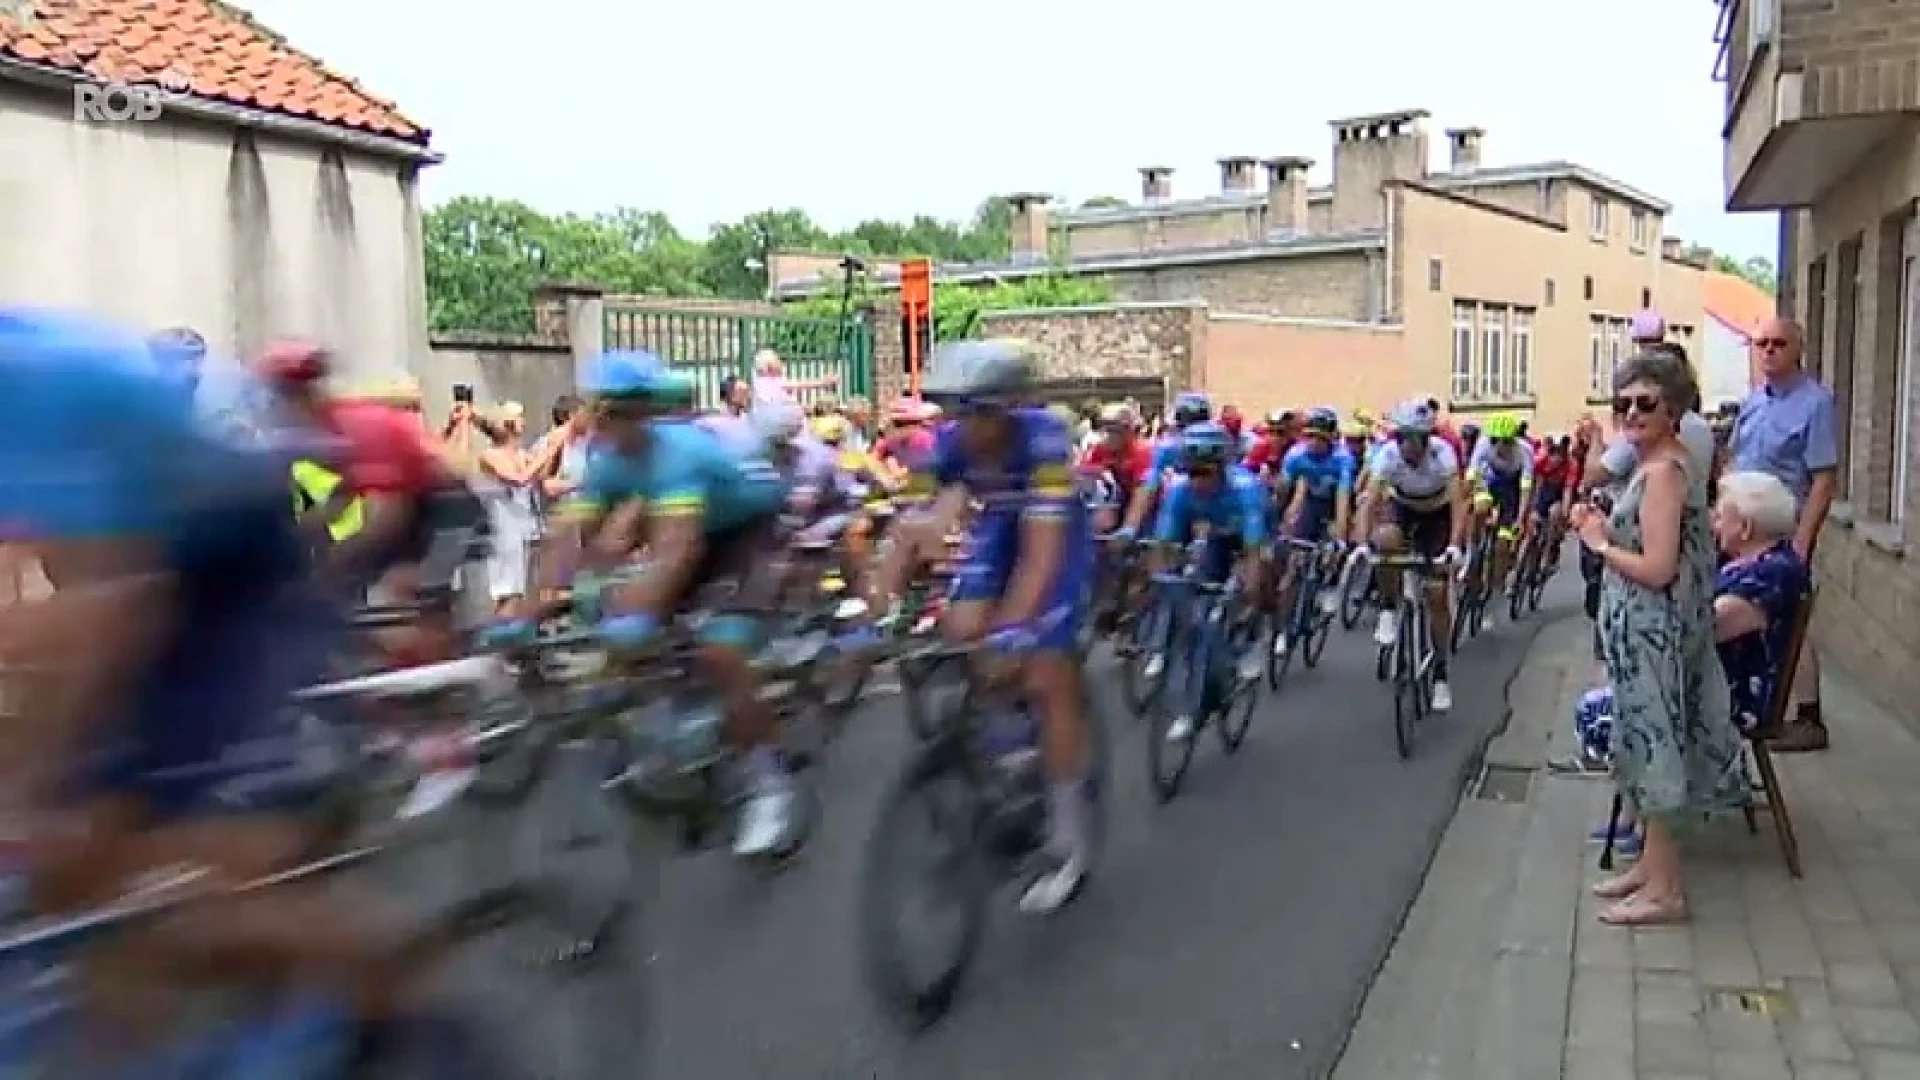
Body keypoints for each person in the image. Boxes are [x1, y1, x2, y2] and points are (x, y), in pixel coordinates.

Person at [0, 309, 412, 1057]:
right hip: (158, 565)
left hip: (233, 587)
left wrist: (31, 790)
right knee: (71, 895)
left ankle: (383, 986)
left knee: (154, 865)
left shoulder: (39, 386)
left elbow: (109, 611)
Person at [500, 350, 799, 858]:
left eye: (612, 412)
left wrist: (633, 609)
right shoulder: (608, 458)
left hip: (746, 533)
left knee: (718, 652)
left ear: (641, 414)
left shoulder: (678, 452)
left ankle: (768, 783)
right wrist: (529, 608)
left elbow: (677, 549)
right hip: (695, 534)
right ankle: (680, 731)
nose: (600, 421)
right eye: (597, 410)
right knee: (630, 631)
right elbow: (565, 537)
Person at [871, 339, 1098, 914]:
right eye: (954, 411)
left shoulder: (1044, 440)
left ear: (1009, 408)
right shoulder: (947, 442)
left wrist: (1017, 629)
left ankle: (1067, 840)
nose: (963, 427)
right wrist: (877, 603)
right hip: (1000, 529)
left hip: (1055, 539)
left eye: (978, 413)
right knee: (961, 624)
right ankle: (1002, 733)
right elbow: (912, 525)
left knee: (1044, 671)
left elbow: (1042, 559)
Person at [1575, 349, 1748, 926]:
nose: (1630, 412)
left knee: (1656, 748)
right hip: (1640, 634)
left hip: (1653, 634)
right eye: (1621, 402)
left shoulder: (1665, 473)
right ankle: (1650, 868)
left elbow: (1658, 567)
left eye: (1645, 403)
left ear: (1673, 408)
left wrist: (1599, 541)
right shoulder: (1651, 466)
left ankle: (1667, 889)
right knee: (1638, 742)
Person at [1728, 317, 1837, 751]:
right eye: (1762, 344)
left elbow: (1824, 480)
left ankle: (1809, 717)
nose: (1769, 350)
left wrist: (1801, 545)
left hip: (1781, 533)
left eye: (1778, 344)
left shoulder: (1815, 403)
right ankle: (1751, 700)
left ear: (1797, 349)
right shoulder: (1755, 402)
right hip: (1743, 533)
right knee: (1748, 616)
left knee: (1791, 621)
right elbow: (1735, 460)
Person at [1147, 421, 1270, 732]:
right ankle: (1194, 698)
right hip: (1216, 538)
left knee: (1250, 584)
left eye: (1206, 472)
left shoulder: (1246, 490)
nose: (1198, 480)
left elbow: (1255, 553)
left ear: (1222, 468)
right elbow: (1164, 545)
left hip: (1251, 538)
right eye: (1192, 472)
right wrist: (1161, 582)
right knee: (1197, 613)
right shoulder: (1178, 491)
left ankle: (1253, 637)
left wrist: (1251, 594)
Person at [1354, 399, 1467, 712]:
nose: (1408, 447)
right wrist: (1363, 545)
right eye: (1402, 438)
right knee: (1386, 539)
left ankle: (1441, 673)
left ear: (1426, 439)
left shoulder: (1443, 453)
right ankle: (1389, 607)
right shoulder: (1387, 456)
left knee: (1436, 593)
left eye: (1414, 439)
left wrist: (1454, 546)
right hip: (1403, 507)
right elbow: (1370, 502)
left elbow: (1458, 505)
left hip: (1437, 513)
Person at [1711, 471, 1811, 735]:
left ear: (1746, 528)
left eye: (1720, 517)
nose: (1714, 524)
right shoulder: (1752, 562)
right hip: (1713, 686)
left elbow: (1706, 627)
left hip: (1734, 700)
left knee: (1609, 711)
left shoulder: (1772, 573)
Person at [1272, 406, 1355, 656]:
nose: (1314, 443)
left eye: (1321, 438)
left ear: (1331, 440)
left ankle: (1329, 585)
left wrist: (1339, 539)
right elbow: (1282, 495)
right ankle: (1283, 629)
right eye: (1310, 437)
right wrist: (1277, 527)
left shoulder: (1342, 459)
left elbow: (1342, 501)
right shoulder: (1296, 456)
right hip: (1311, 504)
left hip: (1334, 504)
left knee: (1332, 548)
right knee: (1293, 567)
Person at [1119, 390, 1212, 538]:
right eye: (1186, 425)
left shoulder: (1217, 444)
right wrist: (1130, 527)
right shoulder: (1167, 447)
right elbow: (1149, 485)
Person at [1465, 414, 1535, 607]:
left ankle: (1495, 579)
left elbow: (1525, 489)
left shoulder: (1525, 452)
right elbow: (1471, 477)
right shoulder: (1483, 445)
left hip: (1512, 486)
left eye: (1504, 441)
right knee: (1479, 508)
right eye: (1494, 440)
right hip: (1489, 479)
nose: (1499, 446)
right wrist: (1468, 504)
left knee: (1503, 542)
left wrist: (1520, 519)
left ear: (1513, 441)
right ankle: (1472, 552)